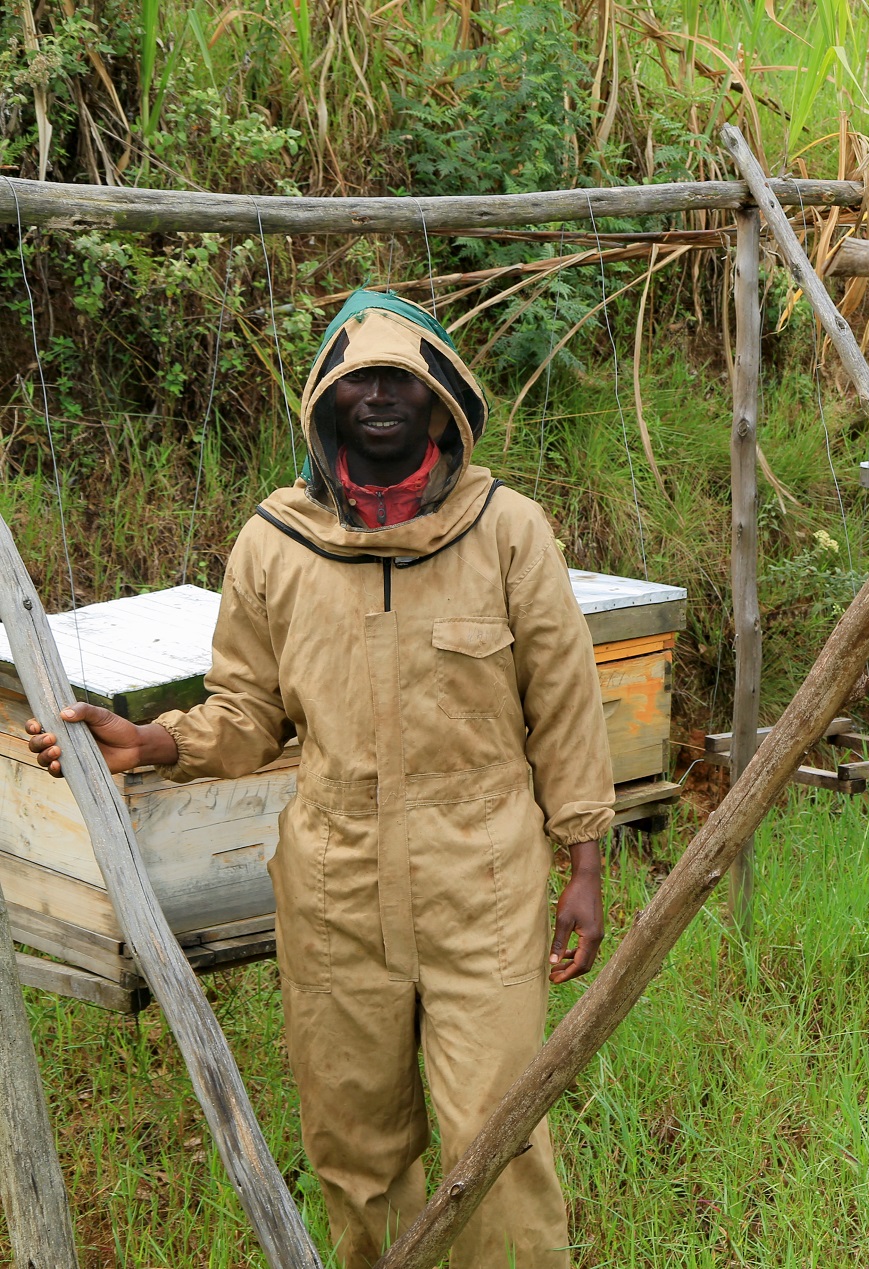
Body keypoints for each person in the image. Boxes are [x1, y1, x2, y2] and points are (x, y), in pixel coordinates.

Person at [28, 291, 612, 1268]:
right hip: (335, 885)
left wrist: (583, 863)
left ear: (441, 406)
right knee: (355, 1149)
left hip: (484, 878)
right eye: (358, 381)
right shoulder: (274, 542)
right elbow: (246, 715)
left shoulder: (509, 531)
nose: (379, 396)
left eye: (402, 380)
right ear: (325, 404)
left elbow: (564, 703)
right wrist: (151, 740)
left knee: (496, 1139)